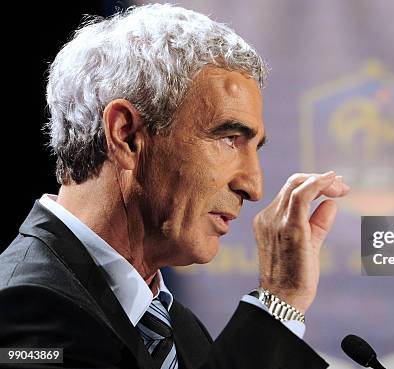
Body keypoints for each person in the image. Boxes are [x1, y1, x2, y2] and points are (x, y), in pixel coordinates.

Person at [0, 4, 349, 369]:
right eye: (229, 138)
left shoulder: (180, 329)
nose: (254, 186)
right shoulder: (25, 310)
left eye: (255, 148)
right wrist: (279, 300)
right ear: (127, 136)